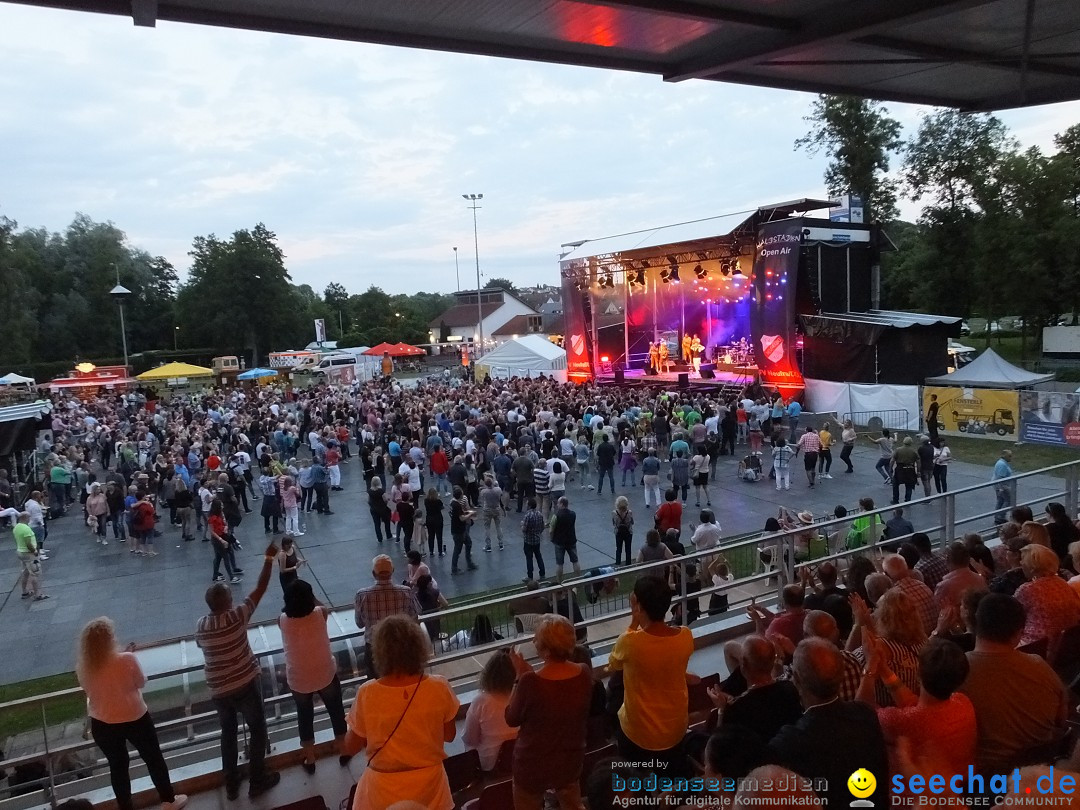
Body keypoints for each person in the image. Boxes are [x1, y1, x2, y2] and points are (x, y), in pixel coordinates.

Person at [341, 615, 459, 810]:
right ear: (418, 648)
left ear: (380, 652)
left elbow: (350, 746)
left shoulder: (367, 693)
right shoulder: (439, 686)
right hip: (432, 789)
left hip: (381, 792)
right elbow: (450, 735)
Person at [195, 542, 282, 801]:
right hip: (245, 682)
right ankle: (257, 780)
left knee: (228, 733)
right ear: (228, 601)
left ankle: (231, 784)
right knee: (257, 729)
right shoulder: (237, 616)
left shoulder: (201, 625)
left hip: (219, 689)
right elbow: (261, 588)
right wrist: (268, 558)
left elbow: (202, 645)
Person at [76, 618, 186, 810]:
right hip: (135, 717)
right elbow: (140, 682)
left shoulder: (83, 668)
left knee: (118, 768)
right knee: (153, 758)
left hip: (102, 723)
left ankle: (126, 807)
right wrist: (127, 657)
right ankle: (168, 800)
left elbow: (95, 688)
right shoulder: (127, 659)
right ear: (110, 639)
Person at [769, 638, 889, 810]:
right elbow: (861, 705)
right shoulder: (866, 715)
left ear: (796, 680)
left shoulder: (788, 743)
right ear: (841, 675)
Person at [959, 594, 1068, 773]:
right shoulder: (1039, 665)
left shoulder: (957, 671)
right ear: (1019, 632)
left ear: (974, 624)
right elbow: (1061, 720)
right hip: (1039, 773)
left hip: (985, 781)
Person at [608, 576, 695, 778]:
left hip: (637, 734)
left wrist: (633, 622)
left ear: (637, 605)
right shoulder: (685, 636)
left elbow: (613, 664)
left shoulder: (630, 642)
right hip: (675, 729)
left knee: (633, 780)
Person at [858, 636, 976, 783]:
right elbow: (913, 703)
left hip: (916, 799)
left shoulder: (902, 721)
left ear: (918, 674)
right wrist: (884, 669)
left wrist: (870, 669)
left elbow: (862, 711)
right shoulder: (963, 703)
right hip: (957, 791)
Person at [506, 614, 594, 810]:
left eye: (536, 639)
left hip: (532, 767)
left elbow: (511, 718)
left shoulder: (529, 682)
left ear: (545, 650)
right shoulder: (584, 672)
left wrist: (519, 677)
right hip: (570, 762)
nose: (533, 641)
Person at [278, 580, 348, 773]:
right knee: (336, 711)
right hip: (324, 671)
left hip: (298, 676)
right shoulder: (320, 614)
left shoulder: (282, 620)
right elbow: (321, 606)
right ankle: (343, 750)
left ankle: (310, 758)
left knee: (304, 717)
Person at [707, 634, 803, 741]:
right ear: (772, 662)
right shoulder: (790, 689)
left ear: (742, 665)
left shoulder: (736, 709)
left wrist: (721, 709)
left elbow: (719, 745)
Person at [354, 554, 421, 676]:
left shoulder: (362, 595)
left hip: (374, 649)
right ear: (393, 572)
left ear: (374, 573)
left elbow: (359, 624)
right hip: (402, 647)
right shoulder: (406, 592)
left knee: (377, 686)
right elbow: (415, 618)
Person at [462, 650, 519, 773]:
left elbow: (470, 739)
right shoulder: (522, 696)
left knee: (468, 746)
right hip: (520, 758)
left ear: (488, 674)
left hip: (490, 765)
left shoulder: (481, 702)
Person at [1014, 543, 1080, 647]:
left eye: (1022, 559)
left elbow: (1012, 617)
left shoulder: (1027, 589)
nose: (1020, 563)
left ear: (1032, 565)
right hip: (1068, 643)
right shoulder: (1061, 582)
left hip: (1038, 645)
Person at [14, 512, 46, 600]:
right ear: (25, 518)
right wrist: (34, 551)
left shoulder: (16, 527)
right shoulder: (26, 529)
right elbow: (28, 543)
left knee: (25, 572)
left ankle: (25, 592)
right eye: (29, 518)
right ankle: (38, 594)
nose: (29, 520)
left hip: (20, 552)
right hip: (29, 554)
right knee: (34, 573)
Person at [550, 496, 581, 582]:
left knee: (559, 563)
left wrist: (552, 538)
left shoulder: (556, 516)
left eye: (558, 503)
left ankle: (559, 581)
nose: (557, 505)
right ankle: (578, 579)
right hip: (571, 540)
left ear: (562, 504)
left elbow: (551, 530)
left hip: (559, 542)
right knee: (575, 560)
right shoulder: (573, 514)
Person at [449, 486, 478, 574]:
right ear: (461, 495)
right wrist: (471, 514)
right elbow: (461, 518)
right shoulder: (457, 505)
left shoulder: (453, 503)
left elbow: (458, 514)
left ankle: (469, 563)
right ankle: (454, 568)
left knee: (468, 543)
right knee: (457, 549)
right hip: (459, 530)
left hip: (460, 529)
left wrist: (466, 513)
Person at [479, 475, 505, 552]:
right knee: (498, 526)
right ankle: (501, 543)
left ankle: (488, 545)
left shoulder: (484, 491)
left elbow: (482, 497)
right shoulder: (498, 490)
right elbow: (500, 494)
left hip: (487, 510)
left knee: (487, 528)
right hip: (496, 509)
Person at [890, 436, 919, 504]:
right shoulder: (913, 451)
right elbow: (918, 462)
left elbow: (892, 460)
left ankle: (895, 500)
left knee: (895, 484)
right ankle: (907, 500)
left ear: (903, 442)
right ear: (911, 443)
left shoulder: (898, 450)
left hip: (900, 469)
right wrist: (918, 471)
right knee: (909, 485)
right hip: (910, 469)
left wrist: (890, 468)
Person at [992, 449, 1014, 525]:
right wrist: (1001, 488)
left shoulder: (1002, 463)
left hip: (999, 485)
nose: (1011, 458)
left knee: (1001, 500)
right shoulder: (1002, 465)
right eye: (1009, 456)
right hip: (1002, 486)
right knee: (1009, 500)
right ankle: (1001, 516)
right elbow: (1000, 477)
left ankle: (997, 517)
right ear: (1005, 456)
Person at [368, 478, 392, 544]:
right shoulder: (381, 491)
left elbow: (368, 501)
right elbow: (385, 499)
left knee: (377, 524)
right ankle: (388, 535)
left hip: (374, 510)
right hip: (382, 509)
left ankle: (379, 538)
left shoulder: (369, 491)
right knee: (387, 522)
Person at [612, 495, 634, 566]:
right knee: (628, 549)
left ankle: (618, 562)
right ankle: (628, 563)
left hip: (618, 533)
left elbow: (613, 523)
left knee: (618, 548)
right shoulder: (629, 512)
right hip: (628, 532)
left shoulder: (614, 513)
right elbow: (632, 522)